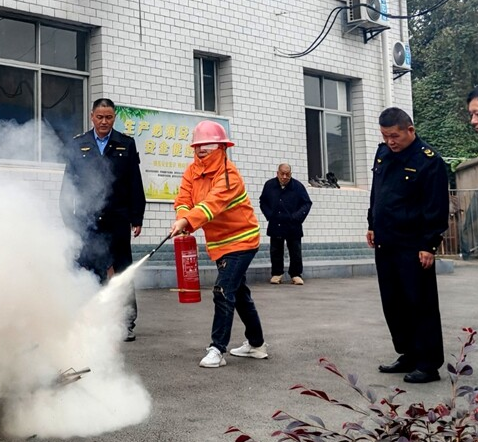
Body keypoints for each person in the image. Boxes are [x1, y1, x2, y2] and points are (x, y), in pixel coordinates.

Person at [169, 120, 267, 368]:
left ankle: (217, 349)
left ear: (221, 147)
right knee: (240, 294)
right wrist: (182, 217)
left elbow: (211, 205)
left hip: (242, 240)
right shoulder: (192, 170)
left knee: (223, 291)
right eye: (198, 145)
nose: (201, 150)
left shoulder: (228, 175)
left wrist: (187, 222)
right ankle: (257, 345)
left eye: (207, 145)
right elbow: (184, 198)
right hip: (220, 243)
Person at [367, 107, 449, 384]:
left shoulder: (429, 161)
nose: (390, 141)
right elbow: (377, 192)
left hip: (413, 246)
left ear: (410, 130)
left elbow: (436, 206)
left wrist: (429, 244)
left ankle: (428, 363)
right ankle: (408, 354)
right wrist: (371, 224)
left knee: (420, 303)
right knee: (394, 303)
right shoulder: (383, 153)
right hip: (386, 241)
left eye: (394, 136)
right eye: (385, 135)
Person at [60, 98, 145, 342]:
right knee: (89, 269)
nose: (104, 121)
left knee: (121, 271)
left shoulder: (125, 144)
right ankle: (91, 319)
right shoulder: (79, 144)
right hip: (87, 220)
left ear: (114, 117)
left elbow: (134, 183)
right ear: (92, 116)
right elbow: (69, 185)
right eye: (100, 117)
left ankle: (125, 322)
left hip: (117, 218)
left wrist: (136, 216)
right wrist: (69, 219)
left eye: (108, 117)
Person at [259, 163, 313, 285]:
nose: (284, 177)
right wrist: (269, 215)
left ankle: (296, 274)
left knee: (295, 251)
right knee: (276, 250)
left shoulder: (298, 186)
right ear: (277, 173)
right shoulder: (269, 185)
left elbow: (307, 203)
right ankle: (277, 274)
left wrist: (296, 217)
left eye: (287, 174)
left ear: (291, 174)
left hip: (293, 224)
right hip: (275, 223)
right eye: (282, 174)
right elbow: (263, 201)